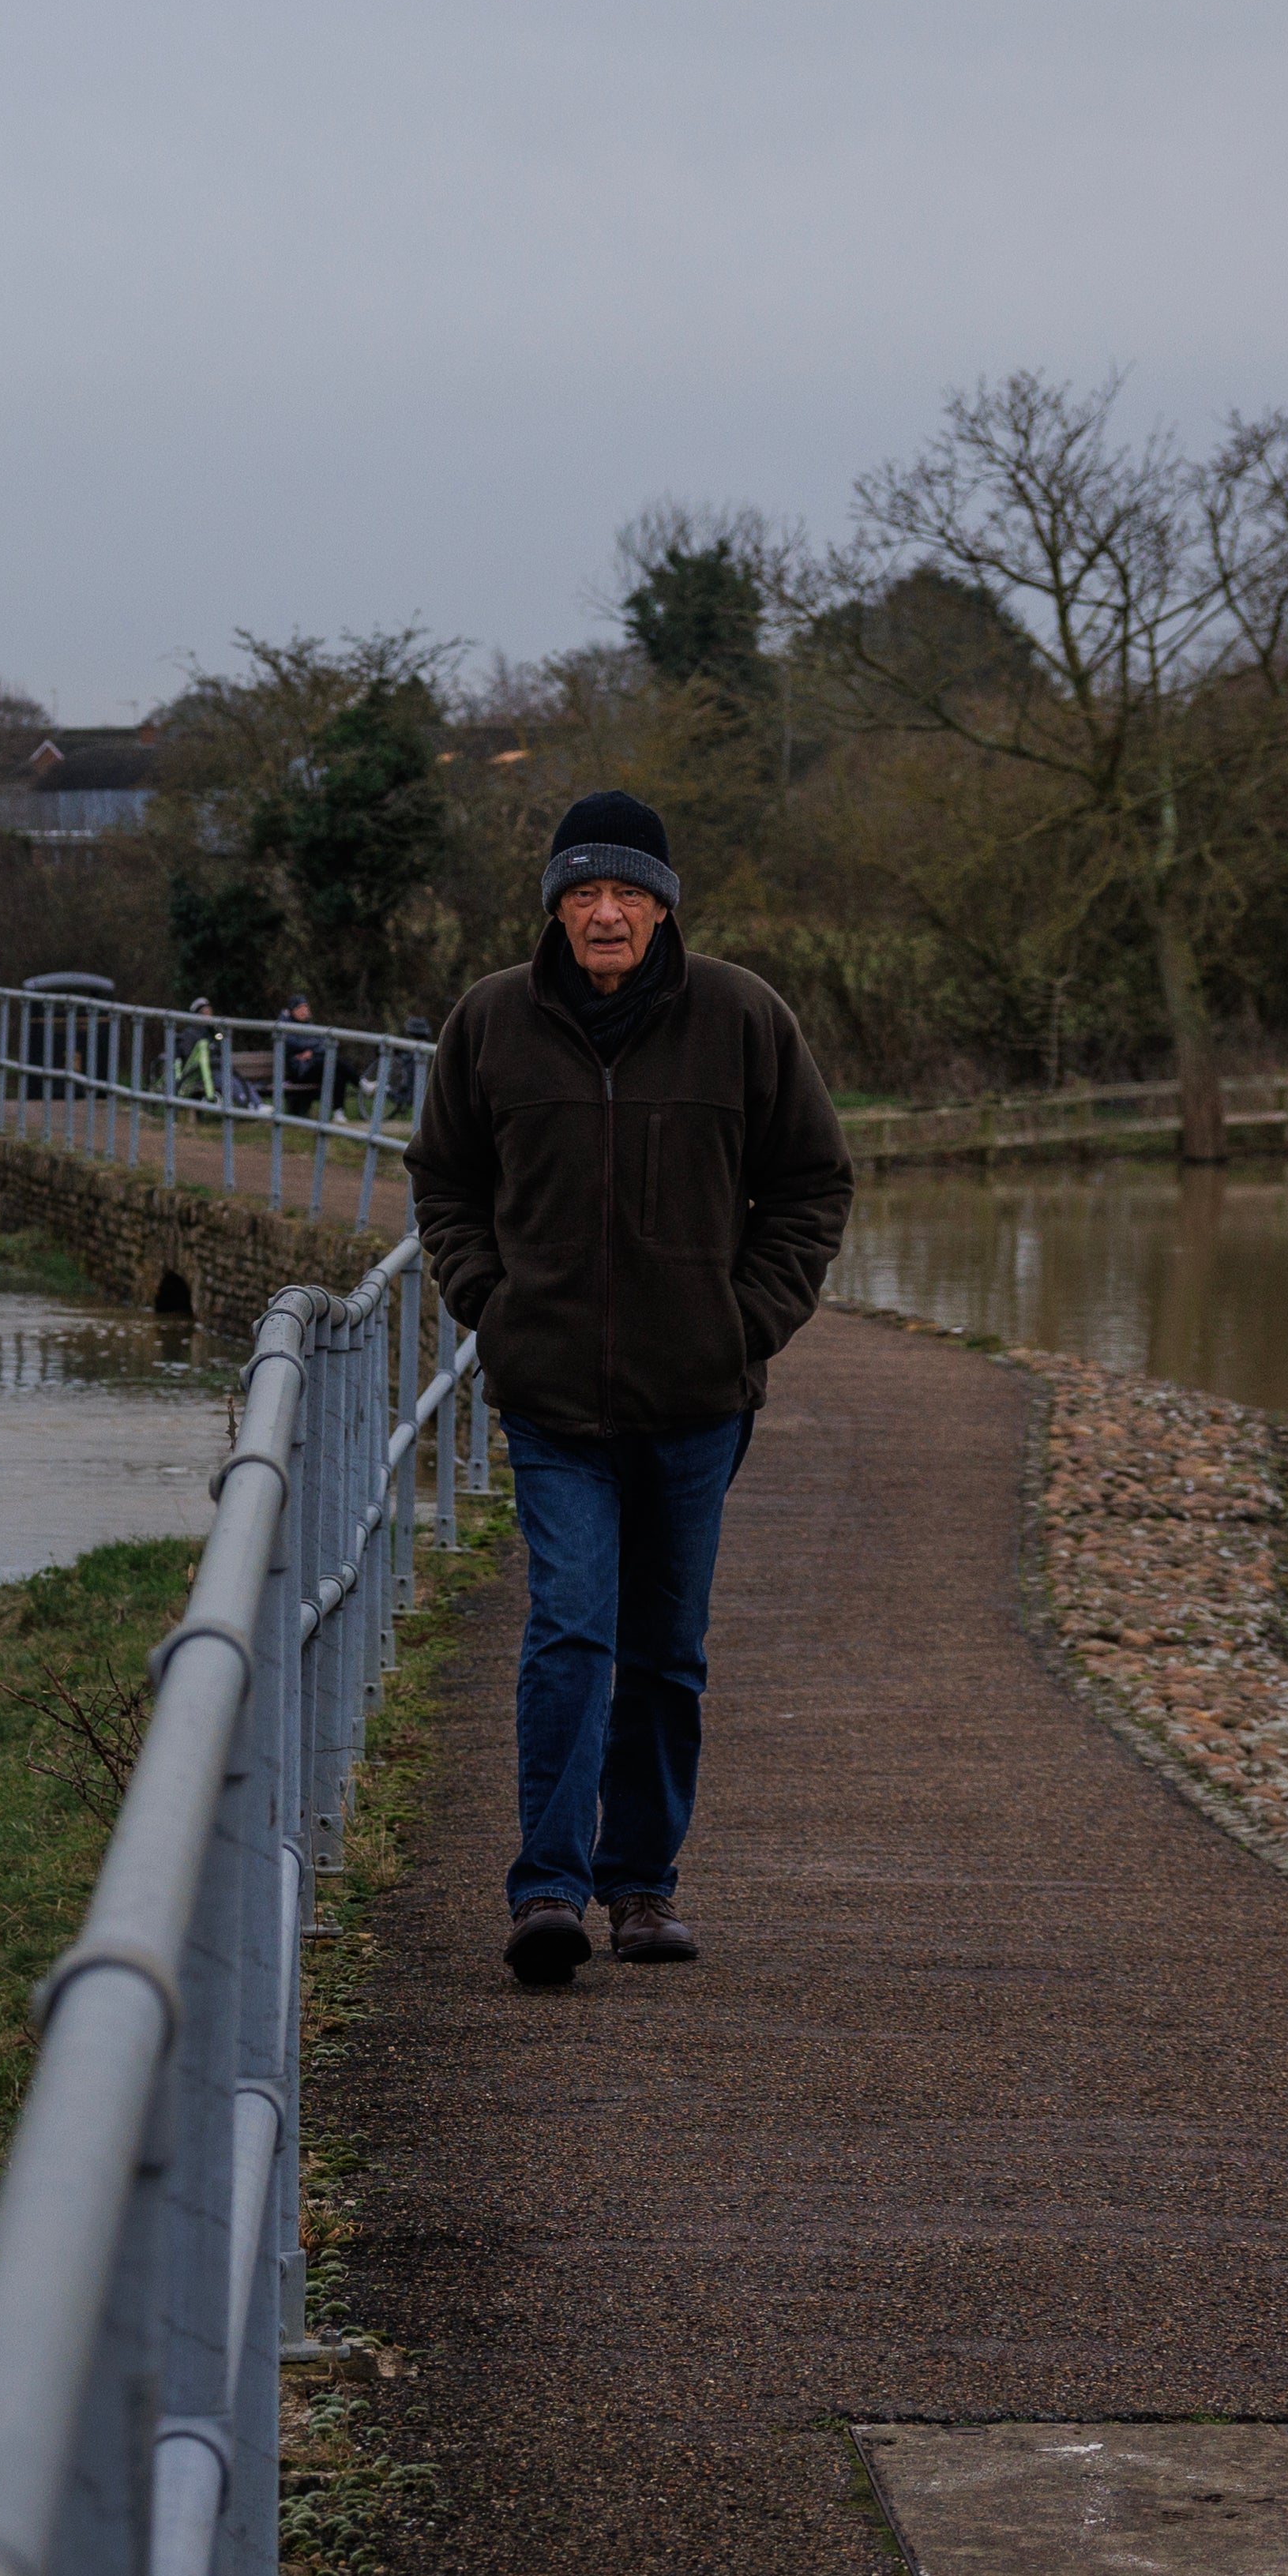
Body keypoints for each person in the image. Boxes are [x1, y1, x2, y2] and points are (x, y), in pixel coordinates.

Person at [404, 790, 854, 1989]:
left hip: (697, 1399)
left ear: (663, 906)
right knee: (567, 1630)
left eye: (628, 893)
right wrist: (488, 1302)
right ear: (553, 904)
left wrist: (744, 1319)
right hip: (550, 1394)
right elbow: (441, 1178)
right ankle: (546, 1890)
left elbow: (811, 1186)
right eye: (582, 893)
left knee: (664, 1651)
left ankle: (642, 1887)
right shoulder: (491, 1020)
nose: (604, 913)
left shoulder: (743, 1018)